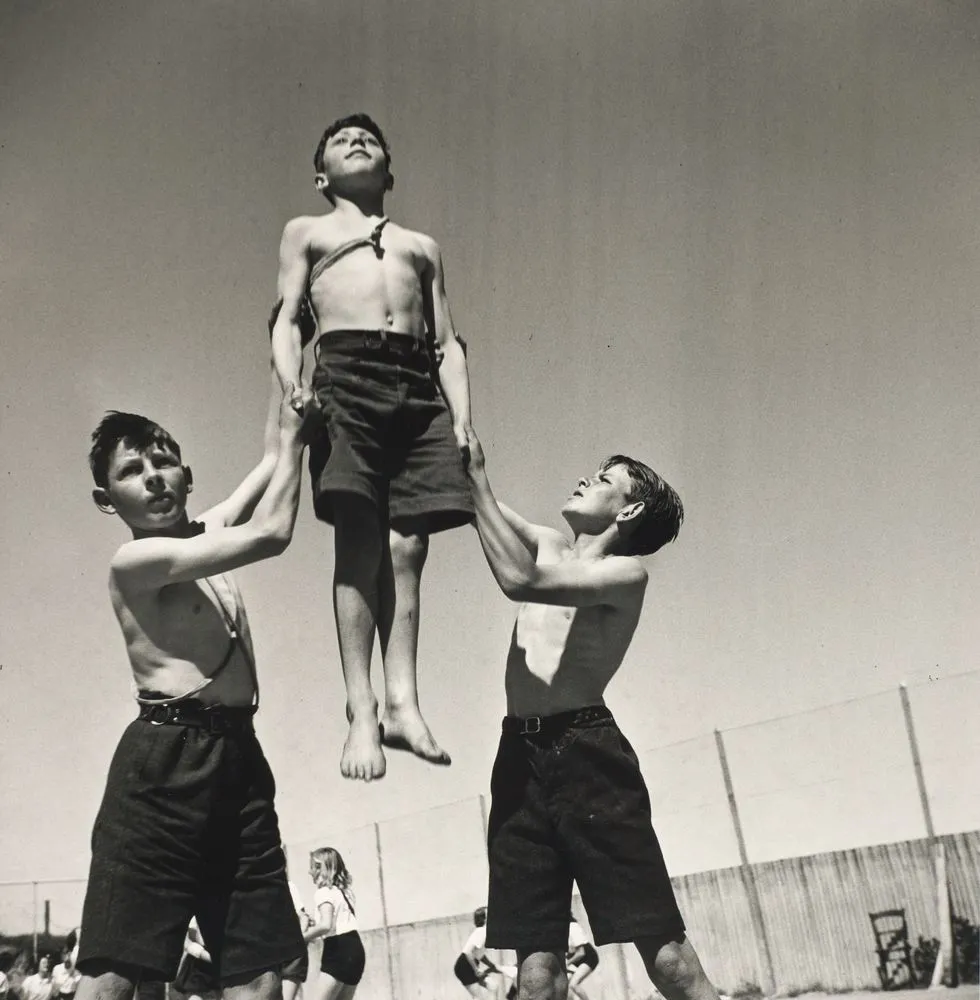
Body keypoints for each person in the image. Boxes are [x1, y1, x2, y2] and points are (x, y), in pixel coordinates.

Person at [72, 369, 308, 1000]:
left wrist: (288, 359)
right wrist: (301, 439)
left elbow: (272, 457)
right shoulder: (137, 562)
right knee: (116, 976)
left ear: (187, 476)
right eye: (131, 471)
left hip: (238, 761)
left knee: (259, 978)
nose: (153, 476)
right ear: (106, 499)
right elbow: (273, 531)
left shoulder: (202, 535)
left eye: (165, 461)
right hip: (164, 764)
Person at [463, 429, 722, 1000]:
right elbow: (467, 494)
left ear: (628, 510)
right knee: (536, 970)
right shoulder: (548, 541)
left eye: (603, 479)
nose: (584, 479)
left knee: (667, 957)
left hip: (587, 753)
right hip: (517, 759)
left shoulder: (625, 574)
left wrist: (475, 473)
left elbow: (519, 580)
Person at [270, 112, 475, 781]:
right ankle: (360, 710)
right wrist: (291, 381)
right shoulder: (309, 231)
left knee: (409, 545)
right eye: (340, 140)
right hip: (345, 373)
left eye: (371, 139)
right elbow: (286, 321)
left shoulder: (422, 244)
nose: (358, 141)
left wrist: (463, 418)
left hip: (414, 384)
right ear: (322, 174)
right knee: (359, 536)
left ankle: (402, 701)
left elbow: (446, 342)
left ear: (389, 168)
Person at [303, 848, 366, 1000]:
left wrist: (301, 938)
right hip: (356, 950)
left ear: (320, 869)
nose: (309, 872)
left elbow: (326, 925)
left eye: (312, 867)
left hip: (338, 949)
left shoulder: (323, 892)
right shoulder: (342, 892)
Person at [454, 907, 517, 1000]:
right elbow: (468, 953)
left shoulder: (484, 932)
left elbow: (479, 954)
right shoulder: (481, 932)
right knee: (478, 997)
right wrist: (476, 970)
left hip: (470, 964)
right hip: (464, 967)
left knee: (493, 986)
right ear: (484, 918)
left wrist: (491, 965)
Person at [564, 918, 598, 1000]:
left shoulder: (573, 926)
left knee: (573, 984)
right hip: (575, 960)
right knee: (564, 986)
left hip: (588, 958)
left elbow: (581, 953)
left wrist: (567, 963)